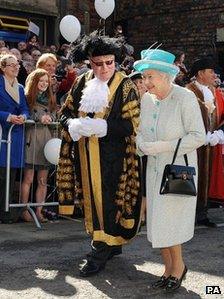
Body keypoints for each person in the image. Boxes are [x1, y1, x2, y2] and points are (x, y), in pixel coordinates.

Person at [57, 31, 142, 277]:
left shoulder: (126, 85)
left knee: (108, 201)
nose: (104, 68)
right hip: (85, 157)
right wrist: (71, 125)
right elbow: (65, 112)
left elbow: (132, 125)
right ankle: (108, 244)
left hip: (115, 157)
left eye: (109, 62)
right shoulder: (81, 82)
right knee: (91, 202)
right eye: (98, 63)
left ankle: (99, 251)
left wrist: (103, 127)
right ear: (89, 63)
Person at [134, 49, 205, 292]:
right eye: (144, 77)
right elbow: (141, 131)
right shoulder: (147, 99)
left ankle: (179, 267)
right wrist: (141, 144)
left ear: (166, 76)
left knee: (170, 223)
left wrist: (164, 146)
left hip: (177, 170)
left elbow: (199, 136)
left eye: (150, 76)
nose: (146, 82)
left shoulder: (184, 98)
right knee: (157, 223)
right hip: (154, 169)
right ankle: (167, 269)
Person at [20, 68, 57, 222]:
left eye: (46, 81)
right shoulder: (27, 97)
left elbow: (55, 115)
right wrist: (39, 117)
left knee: (43, 180)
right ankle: (24, 210)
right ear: (34, 81)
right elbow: (26, 114)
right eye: (41, 81)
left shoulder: (51, 99)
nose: (44, 84)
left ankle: (39, 211)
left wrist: (51, 117)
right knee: (28, 178)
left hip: (46, 141)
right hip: (32, 139)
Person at [186, 57, 219, 226]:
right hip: (193, 145)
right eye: (210, 71)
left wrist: (217, 133)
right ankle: (189, 214)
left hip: (208, 144)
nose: (214, 74)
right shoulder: (189, 91)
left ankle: (202, 212)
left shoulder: (211, 91)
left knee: (205, 176)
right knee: (193, 176)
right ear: (200, 73)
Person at [0, 54, 29, 223]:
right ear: (3, 67)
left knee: (11, 175)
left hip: (15, 134)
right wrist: (8, 116)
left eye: (17, 65)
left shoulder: (19, 87)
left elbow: (24, 108)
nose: (16, 67)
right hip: (3, 132)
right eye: (12, 65)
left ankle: (6, 212)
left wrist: (23, 117)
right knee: (2, 174)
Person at [129, 71, 147, 225]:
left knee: (146, 182)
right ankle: (137, 214)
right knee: (136, 181)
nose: (141, 85)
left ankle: (143, 214)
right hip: (132, 146)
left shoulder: (152, 100)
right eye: (137, 83)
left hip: (148, 146)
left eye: (142, 82)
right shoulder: (130, 102)